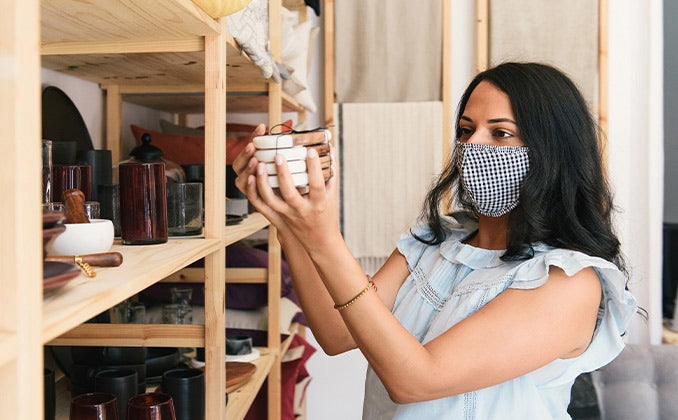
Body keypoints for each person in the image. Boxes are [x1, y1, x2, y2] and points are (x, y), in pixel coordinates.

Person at [233, 62, 637, 419]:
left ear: (553, 154)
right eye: (466, 130)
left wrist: (322, 236)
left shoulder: (567, 281)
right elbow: (338, 333)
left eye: (500, 133)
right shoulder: (433, 241)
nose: (472, 147)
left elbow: (416, 380)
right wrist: (287, 220)